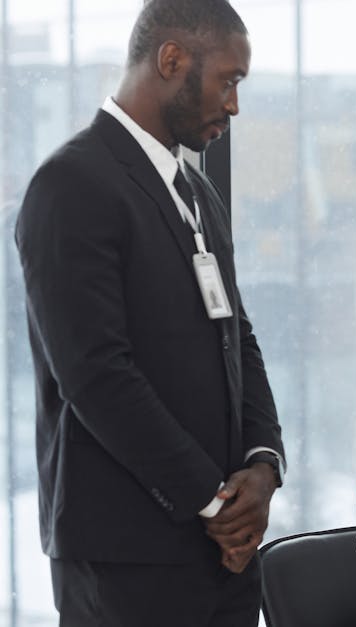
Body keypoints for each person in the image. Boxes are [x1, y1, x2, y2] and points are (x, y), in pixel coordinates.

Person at [14, 1, 285, 625]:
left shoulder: (198, 193)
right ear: (172, 60)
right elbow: (96, 376)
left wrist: (263, 466)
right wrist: (212, 504)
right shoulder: (71, 184)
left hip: (224, 554)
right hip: (126, 559)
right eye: (229, 80)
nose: (235, 105)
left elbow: (237, 340)